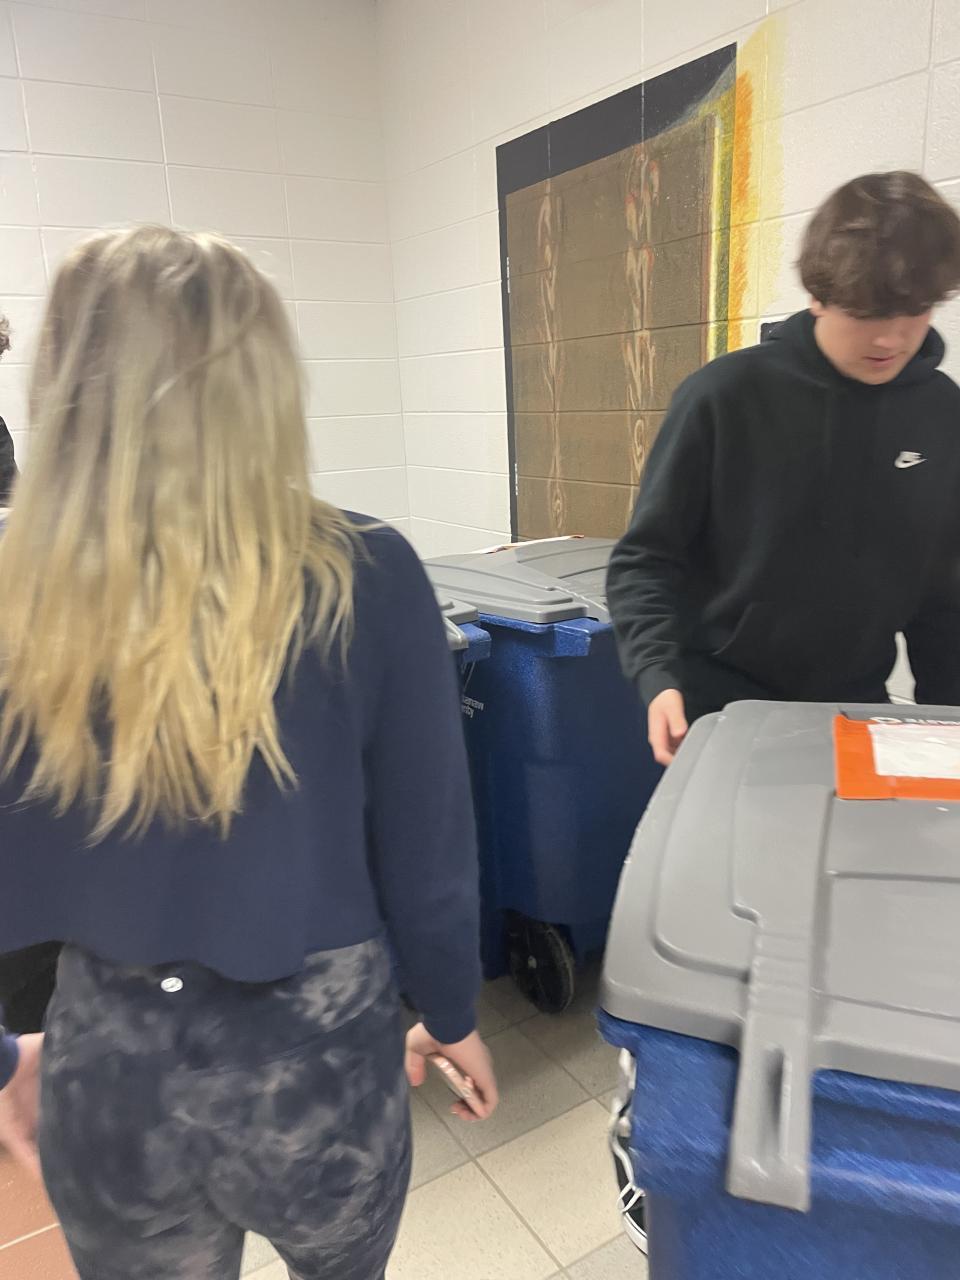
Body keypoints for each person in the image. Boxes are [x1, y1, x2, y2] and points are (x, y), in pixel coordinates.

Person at [0, 226, 497, 1280]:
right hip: (318, 1062)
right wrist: (451, 1014)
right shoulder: (366, 572)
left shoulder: (17, 596)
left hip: (108, 1064)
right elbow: (430, 848)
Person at [608, 171, 960, 768]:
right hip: (718, 708)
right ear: (819, 295)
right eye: (867, 313)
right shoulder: (723, 396)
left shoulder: (940, 411)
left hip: (854, 711)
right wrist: (657, 675)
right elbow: (645, 559)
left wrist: (947, 722)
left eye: (915, 311)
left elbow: (943, 595)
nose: (891, 339)